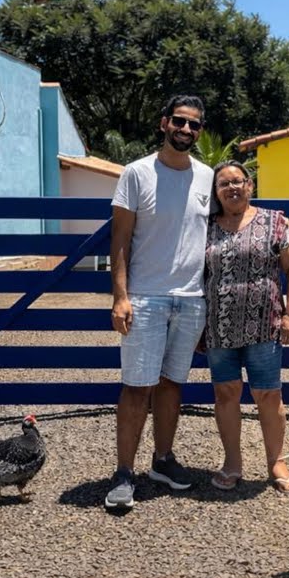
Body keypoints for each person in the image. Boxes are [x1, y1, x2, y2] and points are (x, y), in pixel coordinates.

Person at [105, 95, 213, 510]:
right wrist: (120, 296)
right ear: (164, 123)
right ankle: (123, 473)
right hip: (145, 299)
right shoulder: (136, 174)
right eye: (180, 122)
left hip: (191, 300)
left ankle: (163, 461)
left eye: (194, 125)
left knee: (172, 385)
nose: (186, 130)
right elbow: (119, 240)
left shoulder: (207, 177)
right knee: (136, 387)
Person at [202, 160, 289, 495]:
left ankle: (276, 461)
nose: (232, 188)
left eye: (238, 181)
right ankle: (232, 463)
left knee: (268, 394)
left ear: (250, 185)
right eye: (224, 184)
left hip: (265, 326)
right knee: (225, 393)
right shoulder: (205, 227)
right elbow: (195, 276)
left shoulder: (275, 222)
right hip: (219, 328)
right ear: (216, 192)